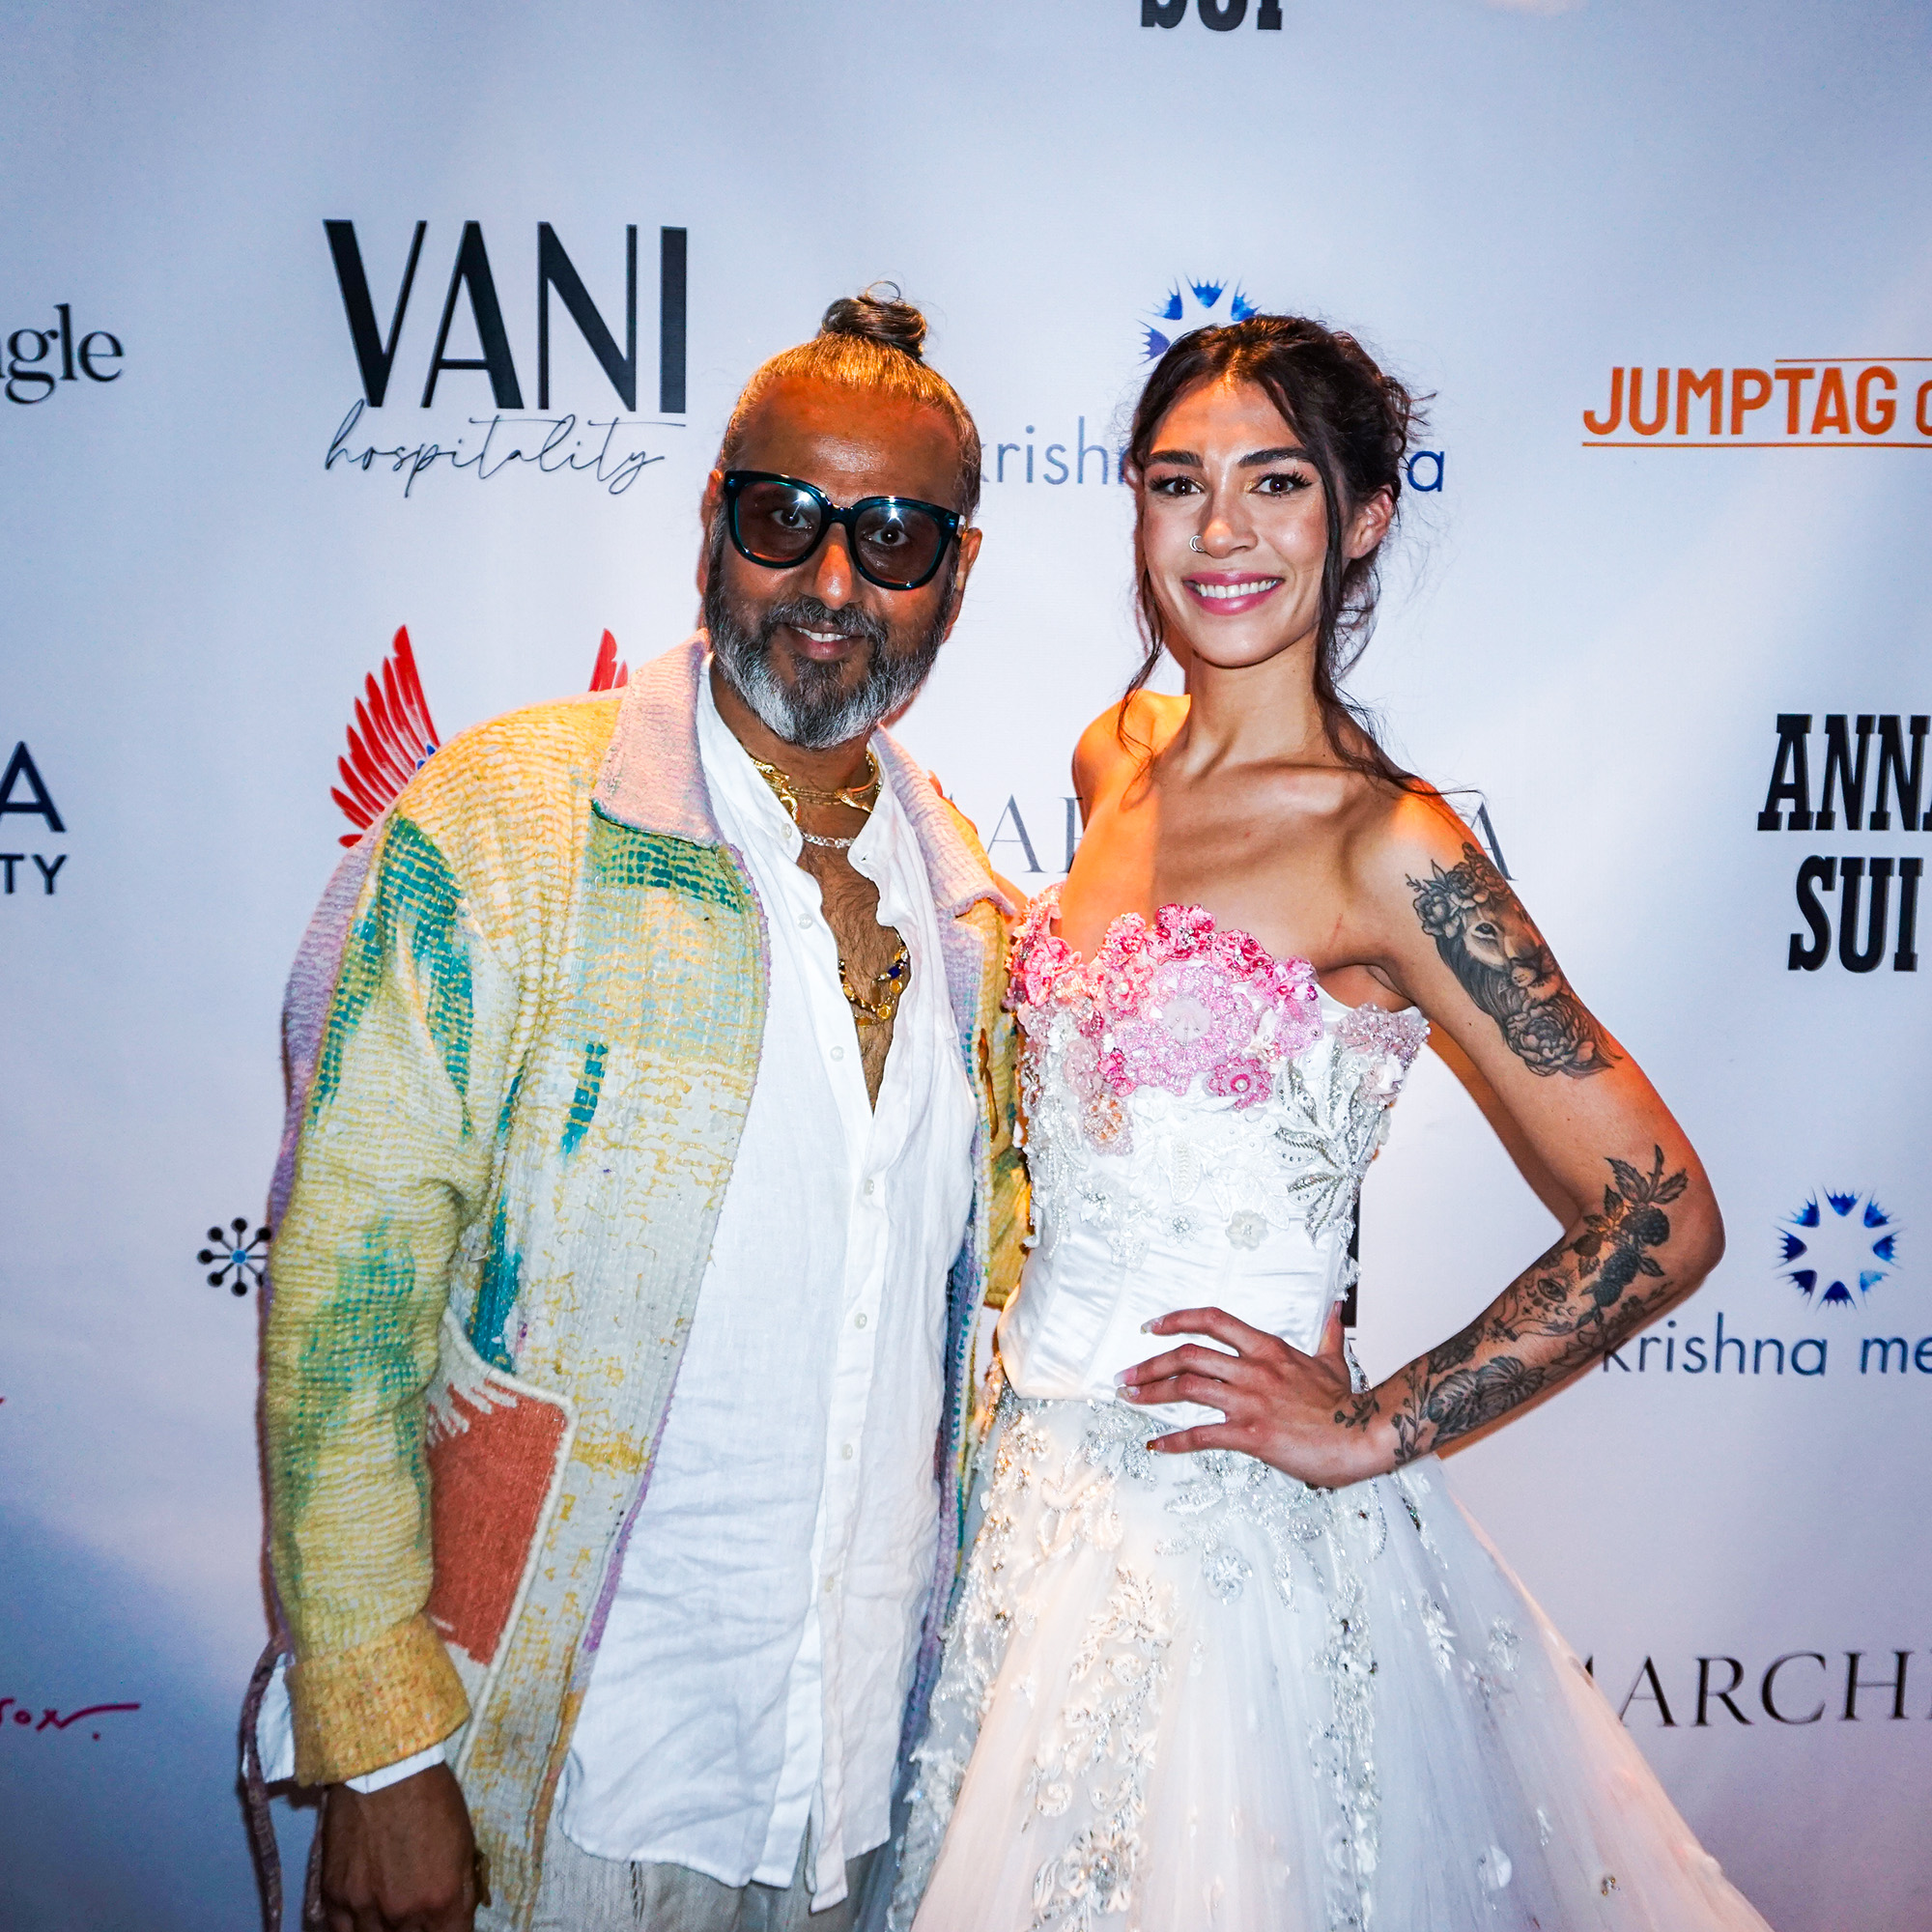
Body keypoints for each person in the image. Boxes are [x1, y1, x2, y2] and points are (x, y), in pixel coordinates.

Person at [889, 315, 1775, 1930]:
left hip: (1221, 1550)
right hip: (1025, 1506)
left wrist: (1377, 1426)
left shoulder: (1393, 849)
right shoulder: (1116, 758)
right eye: (1179, 483)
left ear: (1363, 516)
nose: (1220, 534)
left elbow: (1663, 1212)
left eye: (1277, 484)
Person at [247, 289, 1027, 1932]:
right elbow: (345, 1297)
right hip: (554, 1785)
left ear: (956, 577)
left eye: (891, 538)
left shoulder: (974, 924)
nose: (830, 582)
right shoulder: (514, 822)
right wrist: (385, 1758)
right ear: (711, 531)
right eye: (783, 518)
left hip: (851, 1793)